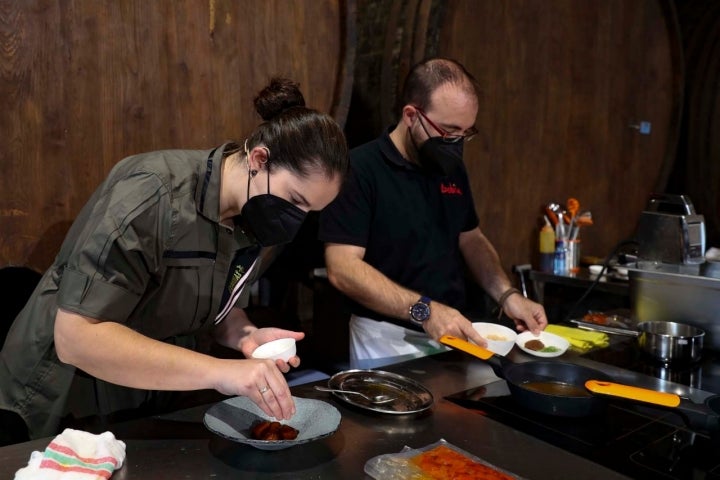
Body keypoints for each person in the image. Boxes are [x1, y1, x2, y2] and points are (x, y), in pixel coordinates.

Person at [0, 77, 348, 443]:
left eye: (309, 211)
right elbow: (76, 338)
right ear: (259, 159)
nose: (295, 219)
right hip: (64, 392)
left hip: (144, 393)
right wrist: (221, 372)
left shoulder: (255, 214)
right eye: (294, 200)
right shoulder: (152, 194)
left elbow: (214, 305)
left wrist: (245, 335)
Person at [319, 58, 547, 369]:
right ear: (411, 115)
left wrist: (507, 295)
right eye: (450, 131)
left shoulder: (449, 166)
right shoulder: (360, 169)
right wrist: (425, 311)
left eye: (466, 133)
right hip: (387, 339)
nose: (456, 143)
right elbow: (342, 268)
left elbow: (471, 238)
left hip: (455, 329)